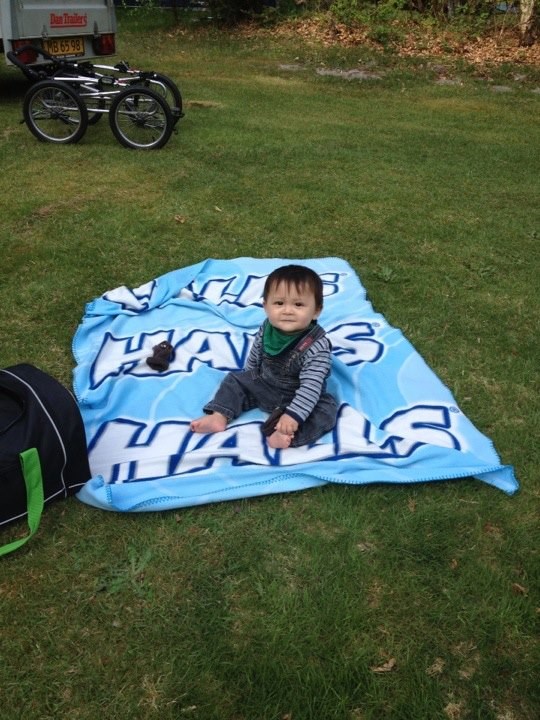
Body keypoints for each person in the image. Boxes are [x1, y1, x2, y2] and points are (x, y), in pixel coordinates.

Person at [190, 264, 338, 449]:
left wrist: (293, 415)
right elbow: (256, 353)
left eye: (298, 304)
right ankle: (219, 415)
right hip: (266, 386)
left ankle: (286, 435)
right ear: (265, 306)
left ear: (316, 310)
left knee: (326, 411)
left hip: (299, 397)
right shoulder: (267, 327)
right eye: (279, 303)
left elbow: (311, 387)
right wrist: (249, 378)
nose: (287, 311)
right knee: (235, 380)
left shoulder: (316, 346)